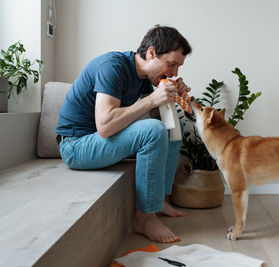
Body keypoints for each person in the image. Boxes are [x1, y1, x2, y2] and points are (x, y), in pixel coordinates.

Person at [56, 25, 192, 243]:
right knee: (155, 130)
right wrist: (152, 99)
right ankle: (144, 218)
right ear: (151, 53)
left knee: (171, 126)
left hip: (100, 143)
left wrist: (170, 97)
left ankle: (159, 199)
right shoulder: (114, 67)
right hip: (76, 146)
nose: (175, 73)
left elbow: (155, 115)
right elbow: (105, 125)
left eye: (178, 67)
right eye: (172, 64)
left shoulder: (145, 77)